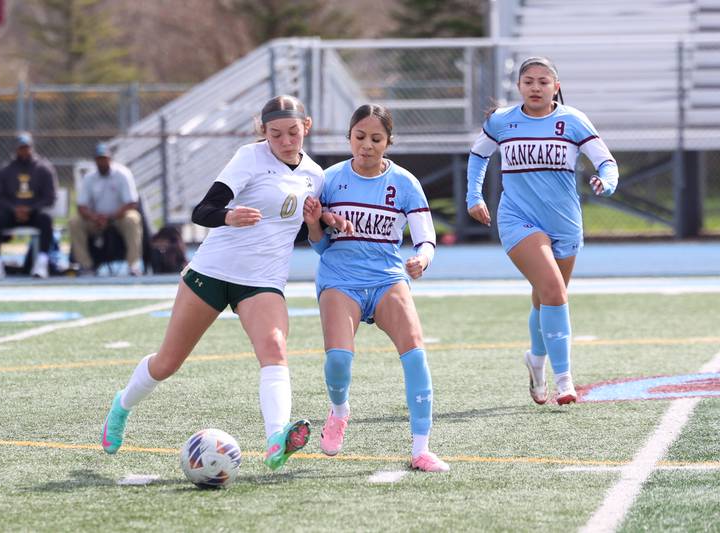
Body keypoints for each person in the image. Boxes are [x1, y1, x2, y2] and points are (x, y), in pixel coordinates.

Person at [101, 95, 323, 471]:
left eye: (293, 133)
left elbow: (307, 236)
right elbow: (201, 212)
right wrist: (229, 216)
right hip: (213, 272)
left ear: (307, 126)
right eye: (275, 134)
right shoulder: (249, 158)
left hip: (263, 282)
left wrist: (319, 222)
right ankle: (121, 407)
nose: (285, 141)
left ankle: (275, 438)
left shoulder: (316, 176)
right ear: (263, 132)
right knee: (168, 362)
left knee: (274, 348)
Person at [304, 103, 450, 473]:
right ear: (349, 137)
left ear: (388, 142)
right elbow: (319, 245)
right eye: (359, 137)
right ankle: (339, 412)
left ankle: (421, 448)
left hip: (387, 278)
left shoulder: (404, 183)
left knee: (415, 353)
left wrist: (423, 259)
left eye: (376, 138)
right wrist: (316, 225)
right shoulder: (330, 179)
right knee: (338, 358)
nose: (366, 145)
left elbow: (426, 239)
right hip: (340, 279)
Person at [466, 56, 619, 405]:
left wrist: (606, 181)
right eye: (528, 81)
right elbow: (478, 156)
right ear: (519, 86)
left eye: (543, 81)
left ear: (556, 87)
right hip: (518, 218)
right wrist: (473, 195)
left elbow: (606, 162)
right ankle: (564, 380)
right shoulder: (502, 121)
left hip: (565, 222)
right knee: (552, 290)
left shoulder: (573, 120)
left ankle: (536, 360)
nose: (535, 87)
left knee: (546, 296)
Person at [0, 132, 58, 280]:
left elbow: (50, 197)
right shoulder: (6, 170)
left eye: (27, 147)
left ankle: (42, 263)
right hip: (12, 213)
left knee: (46, 219)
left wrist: (31, 209)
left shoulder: (44, 169)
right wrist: (14, 209)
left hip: (34, 213)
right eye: (21, 148)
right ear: (15, 149)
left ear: (32, 148)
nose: (24, 151)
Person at [69, 142, 143, 276]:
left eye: (104, 158)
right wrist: (94, 217)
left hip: (119, 217)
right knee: (75, 221)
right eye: (99, 159)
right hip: (96, 219)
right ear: (95, 160)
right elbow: (81, 206)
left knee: (133, 218)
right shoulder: (89, 177)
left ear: (110, 159)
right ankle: (85, 265)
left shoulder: (123, 174)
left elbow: (132, 203)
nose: (102, 162)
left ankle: (133, 265)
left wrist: (111, 217)